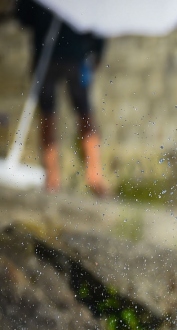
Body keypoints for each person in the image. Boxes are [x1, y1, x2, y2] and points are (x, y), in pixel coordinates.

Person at [15, 0, 111, 196]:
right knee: (84, 114)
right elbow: (98, 21)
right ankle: (94, 175)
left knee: (49, 116)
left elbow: (23, 16)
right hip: (74, 55)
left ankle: (53, 179)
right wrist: (97, 51)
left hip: (47, 55)